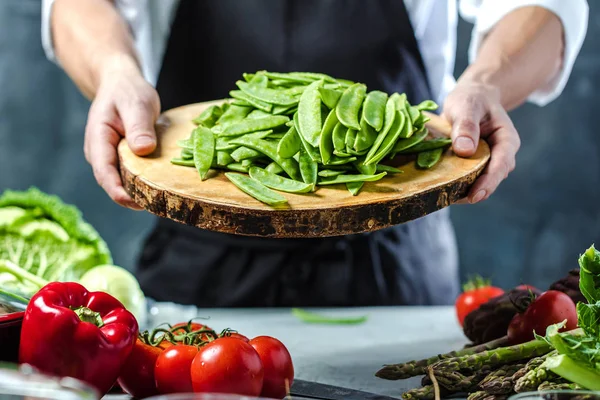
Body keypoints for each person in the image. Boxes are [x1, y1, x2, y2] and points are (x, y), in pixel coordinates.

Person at [42, 0, 588, 308]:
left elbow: (540, 7)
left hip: (391, 262)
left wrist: (487, 84)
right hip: (198, 266)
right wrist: (115, 69)